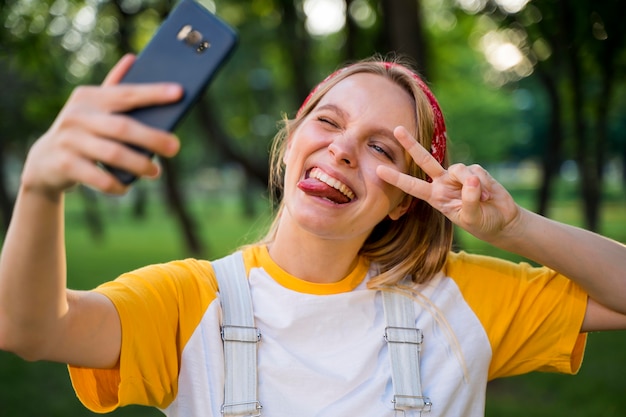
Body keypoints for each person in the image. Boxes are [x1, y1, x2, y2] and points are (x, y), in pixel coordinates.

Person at [0, 53, 625, 417]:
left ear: (405, 201)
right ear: (292, 140)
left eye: (382, 147)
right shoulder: (189, 303)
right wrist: (40, 188)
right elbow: (31, 330)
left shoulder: (460, 300)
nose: (343, 149)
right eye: (328, 121)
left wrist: (514, 227)